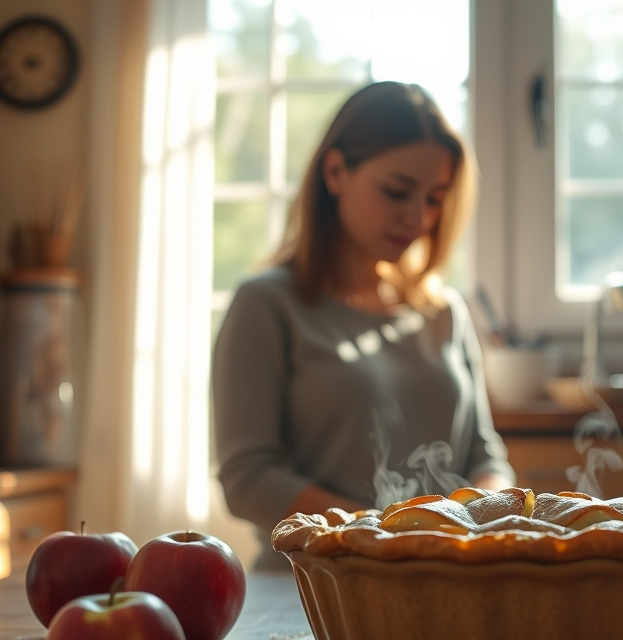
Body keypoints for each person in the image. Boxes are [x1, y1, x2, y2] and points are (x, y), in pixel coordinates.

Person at [212, 81, 515, 568]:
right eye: (397, 191)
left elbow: (485, 457)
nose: (418, 217)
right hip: (314, 590)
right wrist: (388, 536)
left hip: (447, 577)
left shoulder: (444, 312)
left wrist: (479, 517)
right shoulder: (266, 305)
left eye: (435, 198)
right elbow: (249, 481)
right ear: (335, 172)